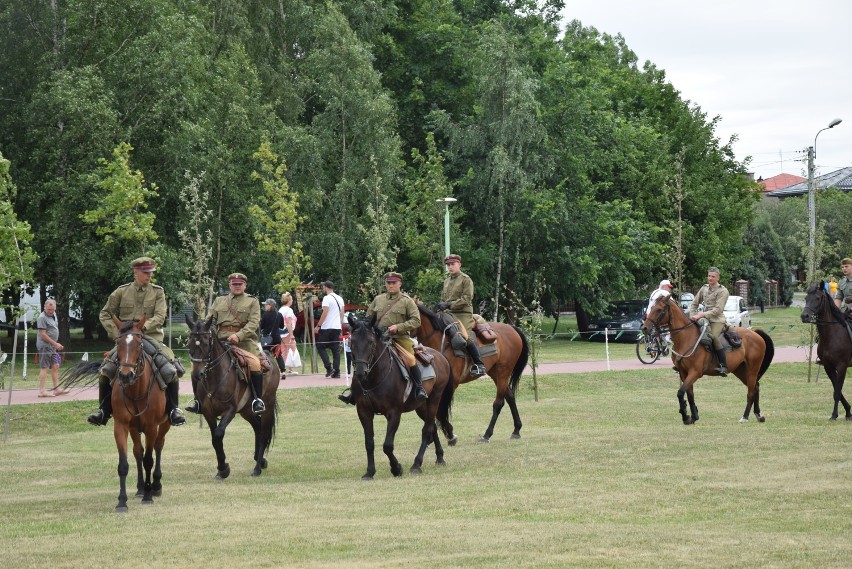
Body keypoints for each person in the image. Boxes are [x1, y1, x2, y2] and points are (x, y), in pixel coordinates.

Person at [87, 257, 186, 426]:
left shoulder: (157, 291)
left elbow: (160, 316)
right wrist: (117, 332)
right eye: (146, 273)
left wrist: (144, 327)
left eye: (150, 273)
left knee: (169, 368)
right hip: (126, 339)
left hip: (150, 337)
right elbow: (105, 313)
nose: (149, 276)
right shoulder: (121, 291)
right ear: (136, 272)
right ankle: (103, 410)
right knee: (106, 369)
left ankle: (173, 410)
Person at [339, 272, 427, 405]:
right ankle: (354, 392)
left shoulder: (407, 301)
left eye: (394, 283)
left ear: (399, 284)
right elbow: (369, 318)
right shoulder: (378, 299)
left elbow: (416, 321)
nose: (391, 285)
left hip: (399, 337)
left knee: (410, 359)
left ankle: (419, 388)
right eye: (388, 283)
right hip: (378, 338)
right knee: (362, 358)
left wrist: (398, 327)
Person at [185, 273, 266, 415]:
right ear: (229, 286)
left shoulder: (252, 301)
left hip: (244, 343)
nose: (237, 286)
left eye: (240, 284)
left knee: (255, 364)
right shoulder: (219, 300)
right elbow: (211, 320)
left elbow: (254, 323)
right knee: (196, 368)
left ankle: (257, 400)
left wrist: (239, 336)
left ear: (245, 285)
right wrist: (210, 335)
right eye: (234, 284)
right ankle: (198, 401)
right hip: (220, 342)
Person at [435, 254, 485, 377]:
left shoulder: (465, 279)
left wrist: (448, 305)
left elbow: (466, 299)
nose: (450, 267)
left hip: (462, 313)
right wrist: (440, 305)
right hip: (448, 313)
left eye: (453, 264)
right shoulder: (446, 281)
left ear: (459, 265)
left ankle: (479, 364)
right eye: (448, 265)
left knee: (464, 335)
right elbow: (444, 298)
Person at [689, 267, 730, 376]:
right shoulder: (704, 288)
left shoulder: (723, 291)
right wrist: (692, 316)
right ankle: (686, 362)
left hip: (717, 319)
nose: (710, 278)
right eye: (709, 276)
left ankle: (723, 365)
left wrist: (701, 315)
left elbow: (718, 310)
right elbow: (694, 304)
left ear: (718, 278)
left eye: (713, 276)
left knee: (713, 336)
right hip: (704, 318)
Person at [36, 299, 67, 397]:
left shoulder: (54, 315)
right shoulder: (42, 318)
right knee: (44, 367)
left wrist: (55, 344)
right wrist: (56, 344)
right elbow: (43, 335)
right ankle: (42, 391)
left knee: (55, 366)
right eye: (49, 309)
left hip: (52, 346)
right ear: (44, 307)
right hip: (45, 346)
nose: (50, 311)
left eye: (52, 309)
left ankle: (56, 389)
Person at [314, 280, 344, 378]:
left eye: (323, 287)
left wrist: (318, 325)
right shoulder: (340, 298)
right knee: (335, 350)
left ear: (326, 287)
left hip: (327, 327)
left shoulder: (327, 298)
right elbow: (342, 313)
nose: (323, 288)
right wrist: (339, 325)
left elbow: (325, 312)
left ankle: (329, 368)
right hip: (336, 327)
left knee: (320, 346)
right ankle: (337, 372)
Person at [261, 298, 285, 377]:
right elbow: (281, 326)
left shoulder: (265, 315)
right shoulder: (279, 314)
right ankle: (283, 371)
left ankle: (268, 370)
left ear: (270, 306)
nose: (265, 306)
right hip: (277, 338)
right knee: (278, 355)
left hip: (267, 339)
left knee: (266, 354)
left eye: (266, 305)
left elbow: (262, 326)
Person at [278, 292, 298, 374]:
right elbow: (289, 323)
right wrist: (291, 334)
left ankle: (282, 369)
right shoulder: (289, 310)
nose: (292, 301)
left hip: (280, 333)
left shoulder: (280, 309)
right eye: (292, 299)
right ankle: (291, 369)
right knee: (292, 349)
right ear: (289, 300)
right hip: (287, 333)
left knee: (284, 350)